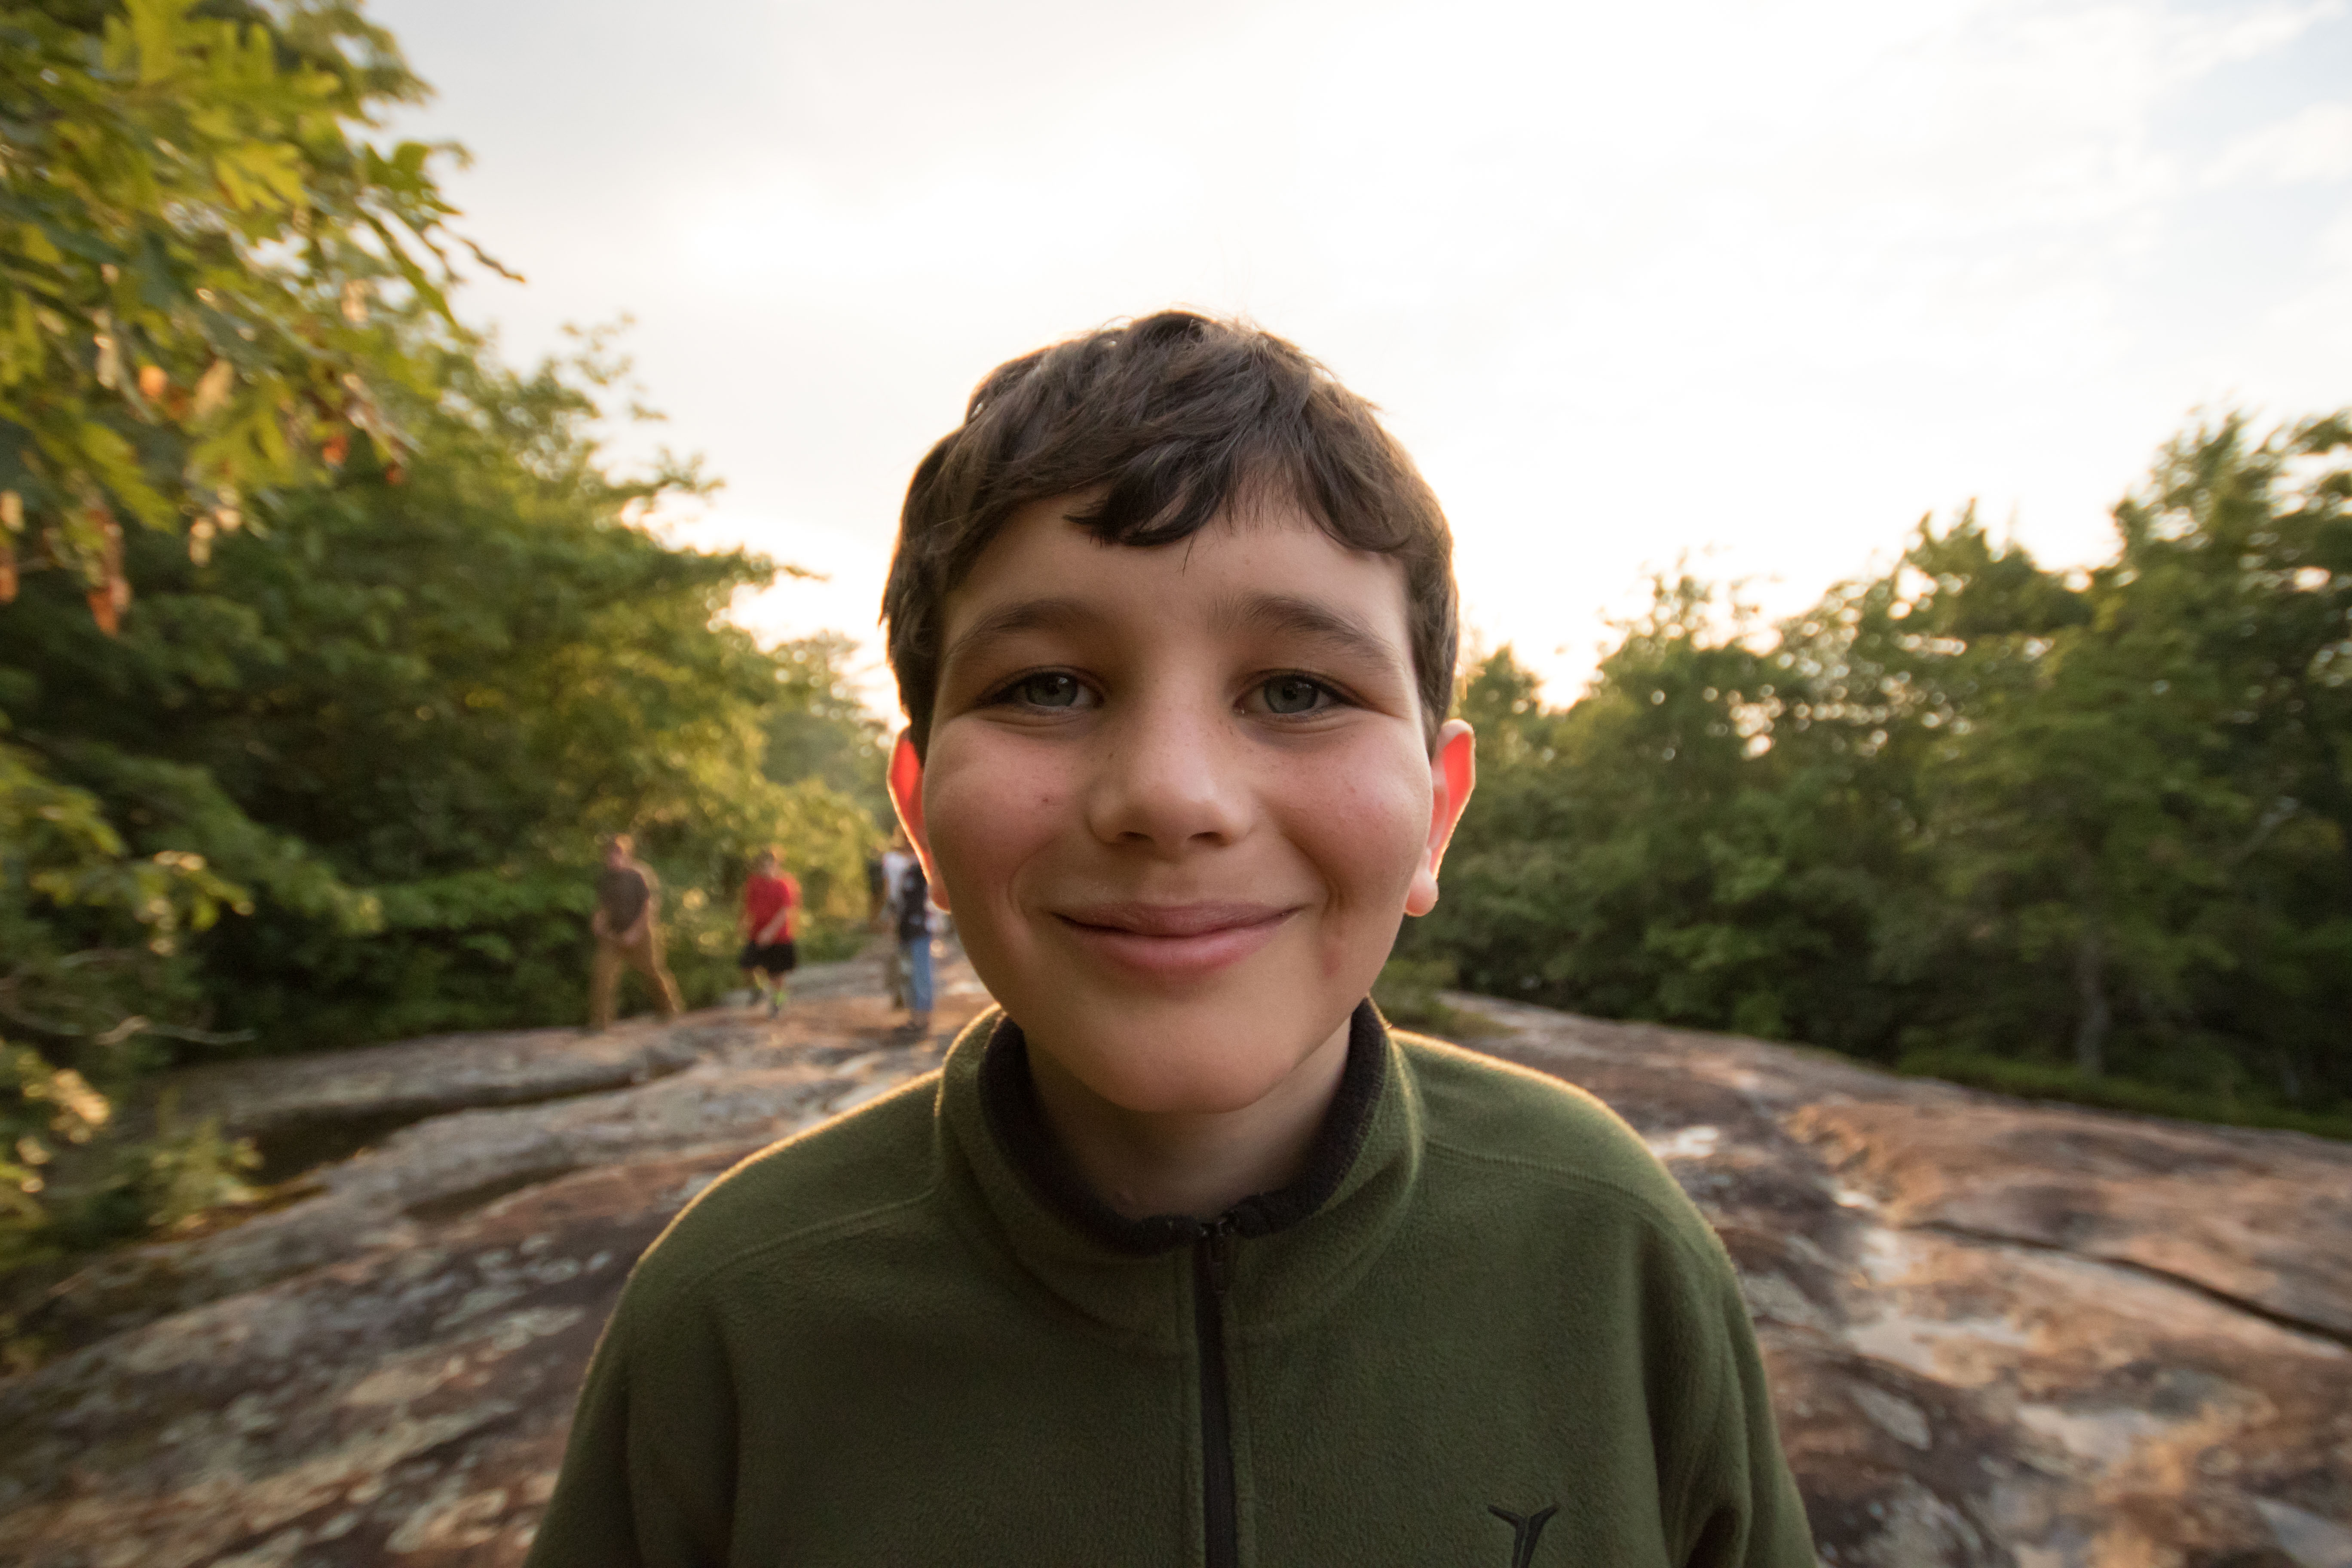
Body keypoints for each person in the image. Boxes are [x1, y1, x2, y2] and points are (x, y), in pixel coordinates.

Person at [529, 313, 1816, 1564]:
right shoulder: (731, 1316)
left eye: (1298, 691)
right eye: (1048, 686)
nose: (1171, 794)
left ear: (1436, 811)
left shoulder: (1613, 1253)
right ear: (920, 820)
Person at [587, 833, 682, 1032]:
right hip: (613, 934)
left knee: (652, 972)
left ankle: (668, 1010)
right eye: (609, 854)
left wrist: (636, 933)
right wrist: (598, 921)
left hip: (641, 933)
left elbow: (649, 908)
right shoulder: (606, 878)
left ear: (626, 854)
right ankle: (599, 1023)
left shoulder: (640, 875)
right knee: (603, 975)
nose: (612, 858)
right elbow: (603, 906)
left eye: (617, 854)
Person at [736, 848, 800, 1018]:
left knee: (776, 974)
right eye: (762, 866)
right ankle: (759, 990)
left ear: (776, 865)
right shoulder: (754, 883)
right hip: (757, 933)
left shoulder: (784, 884)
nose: (765, 869)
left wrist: (770, 932)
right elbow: (748, 906)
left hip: (779, 937)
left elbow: (785, 911)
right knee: (747, 965)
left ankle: (778, 1002)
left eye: (769, 865)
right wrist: (742, 923)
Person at [892, 847, 933, 1036]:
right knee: (910, 976)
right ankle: (915, 1018)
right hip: (907, 932)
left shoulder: (922, 872)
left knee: (921, 975)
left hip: (920, 931)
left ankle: (923, 1020)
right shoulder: (909, 872)